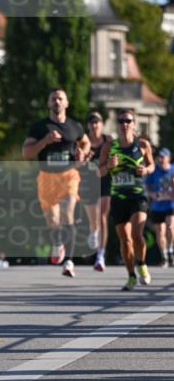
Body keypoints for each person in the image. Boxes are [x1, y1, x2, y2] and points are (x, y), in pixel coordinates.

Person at [22, 89, 90, 278]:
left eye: (60, 98)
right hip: (47, 177)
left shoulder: (74, 126)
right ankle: (58, 242)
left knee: (67, 213)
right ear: (48, 103)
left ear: (66, 103)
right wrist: (45, 141)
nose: (57, 101)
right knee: (53, 220)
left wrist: (82, 154)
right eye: (53, 99)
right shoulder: (39, 127)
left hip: (69, 175)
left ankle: (69, 261)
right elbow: (26, 153)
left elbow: (86, 143)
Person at [98, 108, 154, 290]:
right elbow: (98, 172)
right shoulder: (109, 147)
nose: (125, 124)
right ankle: (131, 276)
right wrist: (108, 165)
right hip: (118, 197)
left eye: (128, 121)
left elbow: (152, 165)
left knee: (137, 233)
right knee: (126, 240)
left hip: (138, 195)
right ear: (117, 125)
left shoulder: (142, 144)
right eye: (121, 121)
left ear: (134, 124)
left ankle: (142, 264)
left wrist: (146, 170)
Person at [80, 112, 112, 271]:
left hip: (105, 181)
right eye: (91, 122)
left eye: (97, 121)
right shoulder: (83, 141)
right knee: (93, 221)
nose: (94, 125)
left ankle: (101, 255)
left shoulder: (109, 141)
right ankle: (94, 231)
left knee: (103, 216)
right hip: (88, 182)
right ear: (88, 125)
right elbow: (77, 163)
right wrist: (84, 160)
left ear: (102, 124)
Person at [146, 147, 174, 267]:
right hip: (157, 206)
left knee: (170, 226)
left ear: (169, 158)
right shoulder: (154, 171)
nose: (161, 159)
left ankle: (170, 250)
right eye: (159, 157)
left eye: (163, 157)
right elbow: (147, 187)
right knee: (160, 231)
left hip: (171, 204)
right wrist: (153, 195)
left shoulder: (172, 170)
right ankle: (164, 256)